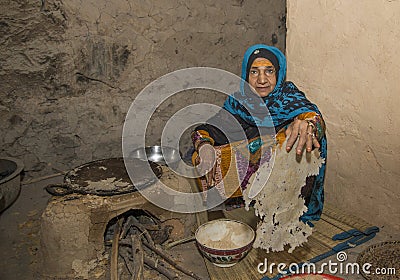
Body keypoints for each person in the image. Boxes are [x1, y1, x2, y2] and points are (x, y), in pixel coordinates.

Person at [191, 44, 327, 223]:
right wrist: (204, 145)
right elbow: (209, 130)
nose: (262, 79)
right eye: (254, 72)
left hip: (286, 192)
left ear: (279, 74)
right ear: (246, 75)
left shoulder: (289, 99)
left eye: (269, 71)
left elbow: (313, 118)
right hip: (250, 190)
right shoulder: (238, 102)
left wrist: (308, 125)